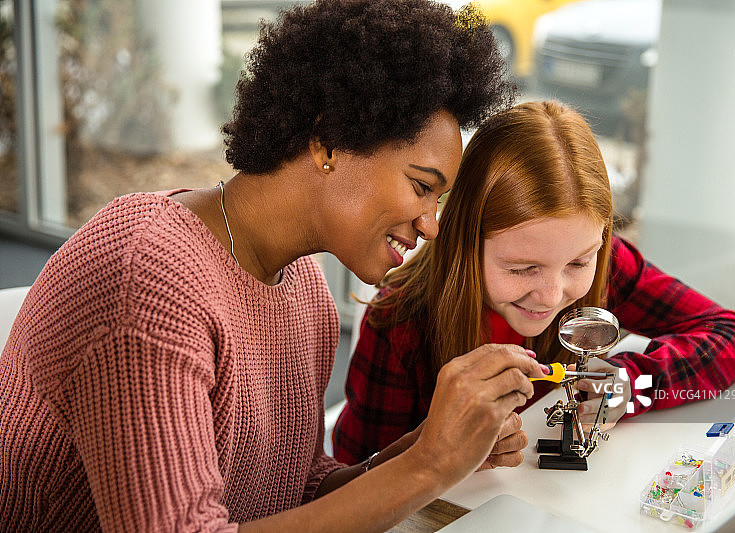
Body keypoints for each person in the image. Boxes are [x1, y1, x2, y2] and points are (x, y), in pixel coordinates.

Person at [0, 2, 549, 531]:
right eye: (421, 186)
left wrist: (425, 449)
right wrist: (427, 467)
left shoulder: (304, 288)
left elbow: (296, 491)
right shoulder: (145, 274)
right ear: (329, 140)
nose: (430, 224)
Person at [332, 100, 735, 466]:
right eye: (522, 269)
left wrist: (625, 387)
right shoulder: (399, 325)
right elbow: (353, 482)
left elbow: (734, 336)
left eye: (578, 262)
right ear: (463, 240)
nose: (553, 296)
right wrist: (436, 456)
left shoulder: (609, 268)